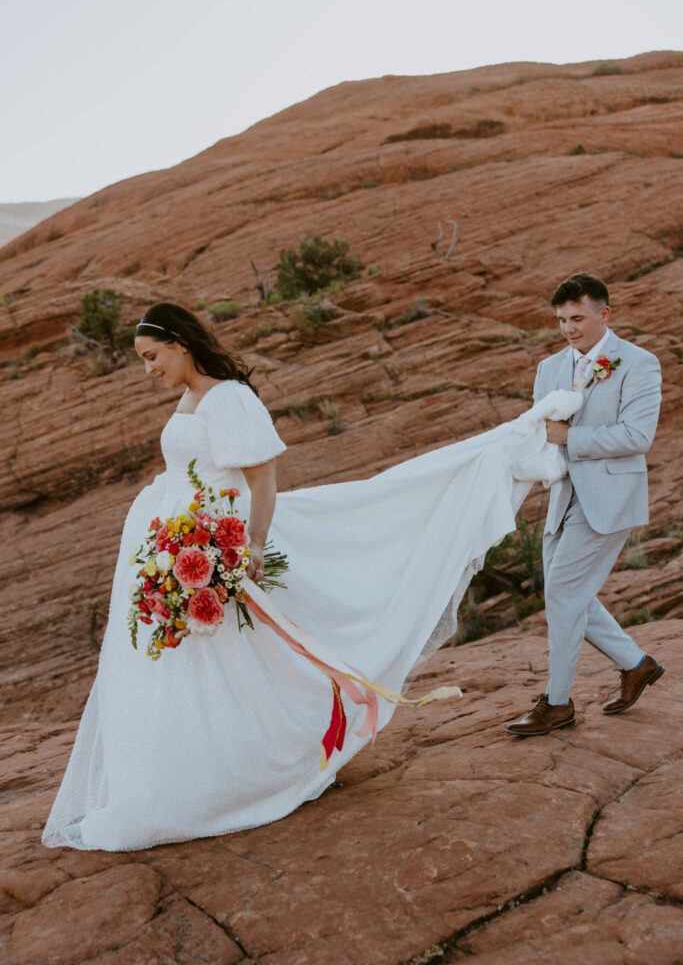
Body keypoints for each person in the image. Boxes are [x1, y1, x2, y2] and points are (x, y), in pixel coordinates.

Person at [43, 302, 581, 851]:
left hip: (218, 542)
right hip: (177, 544)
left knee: (253, 656)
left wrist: (246, 545)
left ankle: (254, 767)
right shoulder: (190, 397)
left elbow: (262, 478)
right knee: (204, 666)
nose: (149, 368)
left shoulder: (228, 397)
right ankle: (183, 776)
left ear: (180, 343)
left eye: (152, 356)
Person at [506, 273, 664, 737]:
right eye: (561, 320)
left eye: (577, 318)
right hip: (564, 495)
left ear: (603, 314)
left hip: (611, 494)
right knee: (567, 591)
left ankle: (557, 704)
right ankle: (636, 665)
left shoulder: (638, 363)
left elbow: (638, 436)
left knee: (562, 593)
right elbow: (539, 431)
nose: (569, 328)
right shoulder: (549, 368)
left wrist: (569, 437)